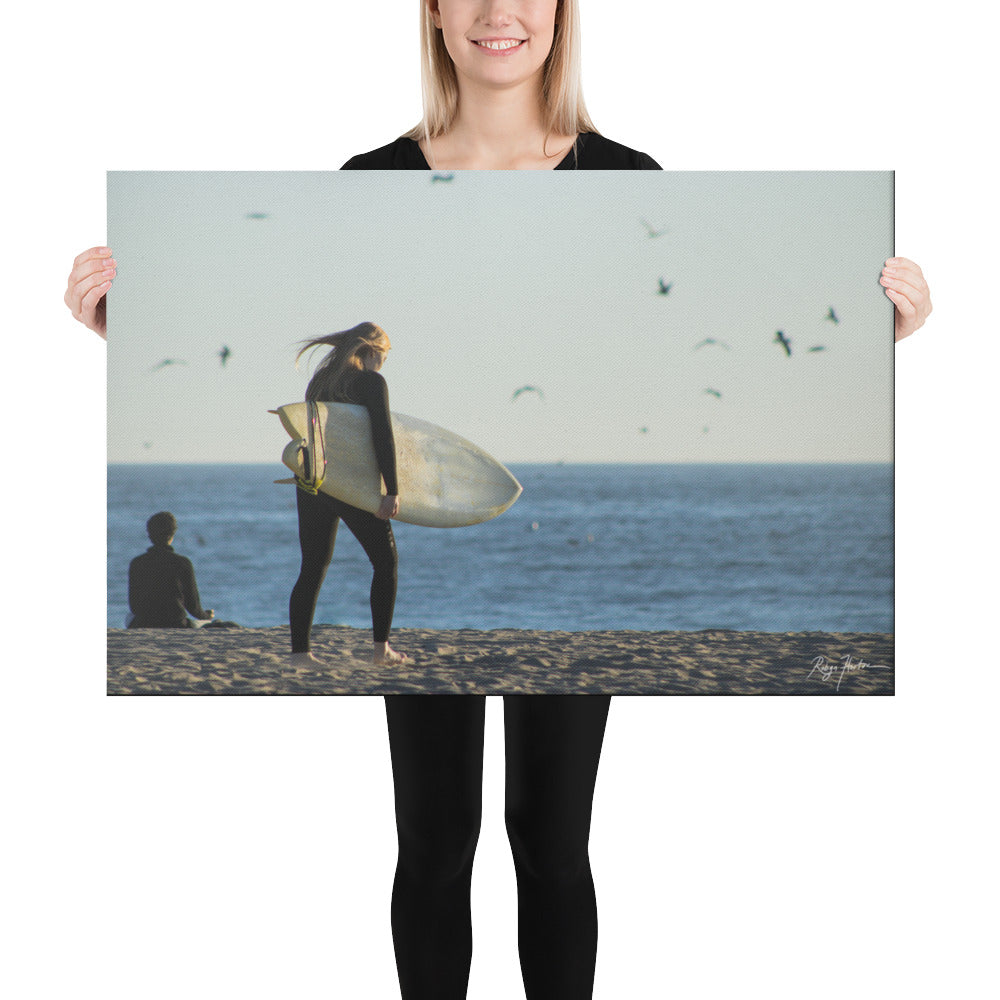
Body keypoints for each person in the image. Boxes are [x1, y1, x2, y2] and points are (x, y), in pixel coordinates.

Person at [68, 2, 933, 998]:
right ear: (431, 14)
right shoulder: (370, 186)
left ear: (563, 14)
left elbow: (678, 335)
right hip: (416, 555)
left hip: (568, 569)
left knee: (552, 841)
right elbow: (308, 382)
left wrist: (884, 335)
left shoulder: (623, 182)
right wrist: (123, 331)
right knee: (435, 843)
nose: (497, 12)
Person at [288, 323, 409, 667]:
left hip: (313, 479)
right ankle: (380, 650)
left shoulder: (321, 380)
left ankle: (300, 655)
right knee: (385, 562)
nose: (383, 364)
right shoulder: (371, 382)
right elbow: (383, 436)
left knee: (312, 566)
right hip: (351, 483)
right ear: (373, 351)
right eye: (384, 356)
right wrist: (392, 491)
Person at [128, 511, 215, 629]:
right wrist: (206, 616)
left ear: (149, 535)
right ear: (173, 534)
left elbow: (134, 607)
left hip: (145, 623)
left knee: (129, 617)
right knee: (205, 624)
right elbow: (193, 608)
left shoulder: (137, 563)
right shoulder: (183, 563)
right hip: (176, 623)